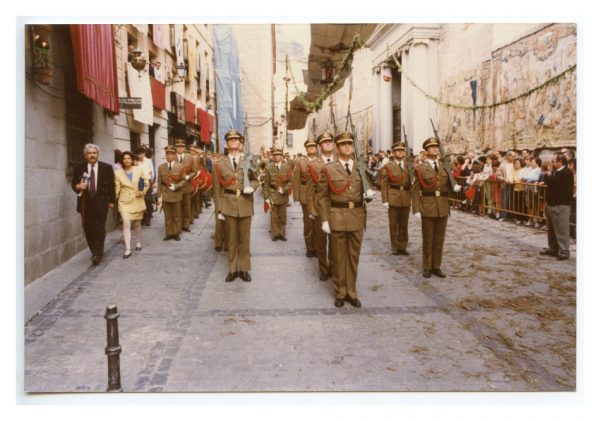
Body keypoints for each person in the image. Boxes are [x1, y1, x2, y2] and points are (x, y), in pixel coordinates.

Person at [317, 131, 373, 308]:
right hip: (337, 217)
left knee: (353, 257)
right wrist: (324, 220)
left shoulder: (361, 167)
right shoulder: (328, 168)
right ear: (337, 147)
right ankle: (341, 292)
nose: (347, 146)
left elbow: (366, 190)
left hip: (356, 216)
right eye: (343, 144)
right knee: (339, 256)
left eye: (350, 143)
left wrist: (369, 194)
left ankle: (352, 291)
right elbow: (322, 197)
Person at [213, 130, 259, 282]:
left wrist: (252, 187)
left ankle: (244, 269)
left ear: (241, 144)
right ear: (226, 144)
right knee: (231, 240)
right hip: (228, 204)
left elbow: (255, 179)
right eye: (230, 139)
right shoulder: (219, 164)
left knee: (244, 240)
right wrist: (219, 209)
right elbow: (217, 189)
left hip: (245, 203)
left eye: (236, 139)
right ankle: (233, 269)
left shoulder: (248, 161)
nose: (233, 141)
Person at [412, 137, 462, 278]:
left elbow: (450, 184)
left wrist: (455, 186)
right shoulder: (421, 169)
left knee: (439, 238)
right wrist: (416, 209)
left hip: (443, 206)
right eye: (431, 147)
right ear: (426, 151)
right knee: (428, 238)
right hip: (428, 205)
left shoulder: (445, 166)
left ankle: (436, 266)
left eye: (436, 147)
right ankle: (427, 266)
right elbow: (415, 190)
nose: (435, 149)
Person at [71, 143, 116, 265]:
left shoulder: (106, 168)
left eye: (94, 153)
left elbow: (112, 185)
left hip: (101, 202)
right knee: (88, 229)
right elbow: (74, 183)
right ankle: (94, 250)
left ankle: (97, 253)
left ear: (98, 154)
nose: (92, 155)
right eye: (89, 153)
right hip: (85, 204)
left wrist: (112, 200)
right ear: (85, 155)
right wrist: (78, 186)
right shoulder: (79, 168)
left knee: (99, 229)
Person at [307, 131, 336, 281]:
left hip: (337, 207)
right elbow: (310, 190)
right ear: (319, 146)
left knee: (335, 241)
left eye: (330, 141)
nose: (328, 144)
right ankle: (323, 269)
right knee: (321, 240)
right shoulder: (313, 165)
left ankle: (333, 266)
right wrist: (312, 210)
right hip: (319, 207)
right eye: (324, 142)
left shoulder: (339, 162)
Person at [539, 153, 574, 260]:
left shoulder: (566, 172)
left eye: (553, 161)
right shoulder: (555, 172)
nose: (552, 163)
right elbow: (547, 180)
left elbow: (556, 183)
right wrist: (549, 175)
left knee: (561, 229)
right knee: (552, 229)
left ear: (560, 162)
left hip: (561, 205)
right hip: (551, 204)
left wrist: (549, 175)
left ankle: (564, 251)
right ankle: (553, 248)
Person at [114, 151, 149, 258]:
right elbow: (117, 188)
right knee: (126, 223)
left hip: (137, 200)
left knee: (137, 223)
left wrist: (142, 192)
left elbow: (146, 183)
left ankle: (138, 242)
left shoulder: (139, 170)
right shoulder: (117, 172)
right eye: (124, 158)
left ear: (132, 159)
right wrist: (112, 200)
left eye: (129, 158)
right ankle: (128, 249)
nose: (127, 160)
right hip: (124, 202)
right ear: (122, 160)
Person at [380, 141, 412, 256]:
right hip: (393, 197)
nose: (401, 152)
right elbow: (384, 185)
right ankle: (395, 246)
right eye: (398, 150)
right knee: (393, 225)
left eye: (402, 150)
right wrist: (385, 200)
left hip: (406, 197)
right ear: (393, 153)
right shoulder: (387, 167)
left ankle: (403, 246)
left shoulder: (409, 166)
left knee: (404, 224)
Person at [292, 138, 319, 257]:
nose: (312, 148)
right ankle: (309, 247)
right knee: (308, 223)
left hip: (318, 196)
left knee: (318, 223)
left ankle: (318, 247)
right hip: (305, 196)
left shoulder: (321, 161)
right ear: (306, 149)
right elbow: (296, 180)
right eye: (309, 147)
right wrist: (297, 197)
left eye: (314, 146)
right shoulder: (300, 162)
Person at [156, 145, 186, 241]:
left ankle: (176, 233)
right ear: (165, 155)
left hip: (176, 194)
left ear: (174, 155)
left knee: (177, 215)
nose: (169, 156)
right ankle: (169, 233)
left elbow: (184, 180)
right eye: (167, 154)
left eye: (171, 154)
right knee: (168, 215)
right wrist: (158, 195)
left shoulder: (180, 166)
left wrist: (176, 186)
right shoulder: (161, 167)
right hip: (165, 194)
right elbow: (159, 182)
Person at [264, 147, 293, 241]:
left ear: (282, 156)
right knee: (274, 216)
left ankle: (282, 233)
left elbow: (291, 181)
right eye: (275, 155)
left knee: (282, 216)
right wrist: (266, 197)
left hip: (283, 195)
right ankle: (275, 234)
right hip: (272, 194)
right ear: (272, 156)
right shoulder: (269, 167)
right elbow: (266, 183)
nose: (276, 157)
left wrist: (284, 189)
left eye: (278, 155)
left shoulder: (287, 167)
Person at [174, 139, 198, 233]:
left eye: (181, 147)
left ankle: (186, 225)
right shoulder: (173, 157)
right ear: (176, 148)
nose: (180, 149)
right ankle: (178, 226)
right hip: (176, 186)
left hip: (187, 186)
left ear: (184, 148)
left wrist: (189, 176)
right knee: (177, 208)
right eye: (178, 147)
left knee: (186, 207)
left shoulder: (190, 157)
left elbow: (195, 171)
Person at [134, 146, 155, 227]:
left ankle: (148, 218)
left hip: (147, 182)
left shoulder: (149, 161)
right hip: (139, 183)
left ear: (144, 153)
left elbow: (152, 172)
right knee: (140, 200)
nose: (140, 156)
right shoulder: (136, 162)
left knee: (148, 200)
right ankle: (142, 219)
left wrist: (152, 183)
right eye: (138, 154)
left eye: (141, 154)